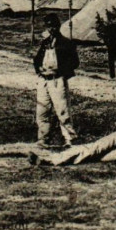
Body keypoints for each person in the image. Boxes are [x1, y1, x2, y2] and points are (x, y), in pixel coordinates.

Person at [33, 13, 79, 148]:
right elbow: (36, 60)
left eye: (53, 26)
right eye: (48, 27)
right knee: (42, 110)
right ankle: (43, 138)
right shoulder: (45, 43)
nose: (51, 29)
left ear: (58, 26)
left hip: (57, 80)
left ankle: (70, 139)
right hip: (43, 80)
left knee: (62, 110)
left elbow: (75, 62)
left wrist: (61, 71)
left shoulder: (66, 43)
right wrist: (39, 68)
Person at [98, 9, 116, 80]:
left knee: (112, 61)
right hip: (114, 46)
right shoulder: (114, 26)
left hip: (111, 46)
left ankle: (113, 75)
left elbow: (104, 34)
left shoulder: (109, 27)